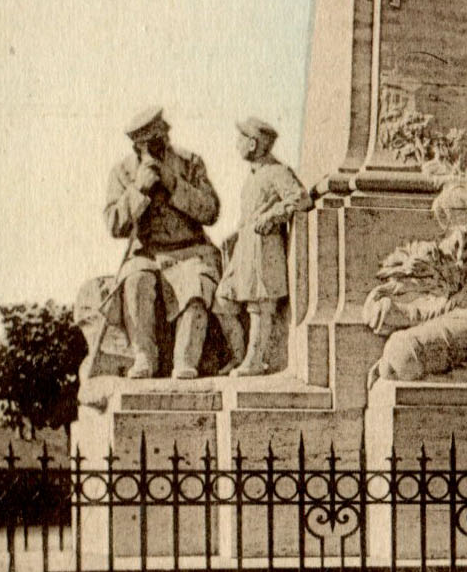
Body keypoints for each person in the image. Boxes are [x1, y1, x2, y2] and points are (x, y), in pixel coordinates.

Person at [104, 107, 222, 380]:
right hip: (147, 253)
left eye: (163, 136)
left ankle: (185, 361)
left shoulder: (189, 162)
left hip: (191, 250)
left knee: (196, 284)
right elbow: (114, 225)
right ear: (139, 145)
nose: (162, 143)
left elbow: (210, 211)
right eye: (153, 142)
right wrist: (138, 190)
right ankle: (144, 356)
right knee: (136, 280)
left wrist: (173, 184)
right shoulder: (122, 172)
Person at [215, 119, 311, 376]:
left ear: (252, 143)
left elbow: (301, 197)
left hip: (264, 249)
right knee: (223, 299)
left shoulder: (277, 171)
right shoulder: (254, 177)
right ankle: (239, 356)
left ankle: (255, 360)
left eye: (240, 139)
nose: (237, 144)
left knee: (260, 305)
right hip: (245, 248)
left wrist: (273, 216)